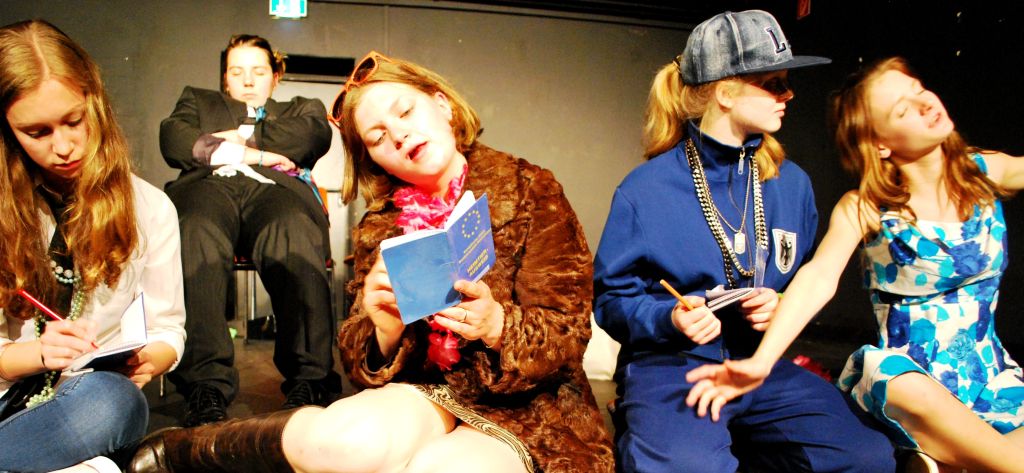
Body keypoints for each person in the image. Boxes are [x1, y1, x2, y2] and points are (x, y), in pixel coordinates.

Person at [129, 50, 614, 473]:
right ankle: (186, 451)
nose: (398, 135)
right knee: (340, 442)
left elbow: (568, 332)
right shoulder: (381, 222)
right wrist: (384, 331)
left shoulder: (529, 188)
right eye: (378, 138)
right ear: (375, 160)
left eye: (405, 111)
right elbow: (358, 359)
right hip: (430, 390)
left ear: (442, 105)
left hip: (529, 406)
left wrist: (498, 325)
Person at [685, 56, 1024, 472]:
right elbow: (818, 278)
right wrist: (761, 362)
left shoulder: (985, 172)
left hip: (993, 378)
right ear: (880, 143)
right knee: (982, 441)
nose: (925, 104)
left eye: (919, 90)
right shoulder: (866, 208)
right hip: (910, 385)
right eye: (902, 110)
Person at [593, 10, 897, 473]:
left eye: (786, 83)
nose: (788, 94)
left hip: (759, 364)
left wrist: (778, 304)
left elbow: (801, 281)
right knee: (686, 467)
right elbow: (611, 301)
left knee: (867, 456)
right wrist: (669, 316)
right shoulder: (646, 190)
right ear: (726, 92)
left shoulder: (791, 183)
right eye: (773, 84)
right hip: (673, 365)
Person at [0, 19, 187, 472]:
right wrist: (36, 354)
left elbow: (168, 329)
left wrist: (146, 361)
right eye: (37, 133)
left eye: (73, 121)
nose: (64, 146)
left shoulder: (150, 208)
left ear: (94, 104)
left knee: (115, 402)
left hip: (81, 402)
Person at [160, 34, 341, 427]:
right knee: (194, 229)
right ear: (225, 79)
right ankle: (204, 384)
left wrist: (229, 139)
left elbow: (311, 135)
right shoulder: (198, 100)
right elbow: (173, 138)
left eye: (258, 71)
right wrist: (255, 154)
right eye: (236, 72)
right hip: (208, 186)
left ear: (275, 77)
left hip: (276, 190)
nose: (247, 80)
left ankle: (310, 378)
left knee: (293, 229)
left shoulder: (300, 107)